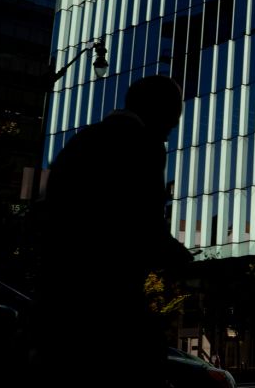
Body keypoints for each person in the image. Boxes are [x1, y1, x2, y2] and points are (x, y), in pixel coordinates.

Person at [32, 75, 192, 388]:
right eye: (173, 113)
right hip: (109, 299)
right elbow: (144, 220)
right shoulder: (144, 144)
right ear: (156, 110)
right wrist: (182, 261)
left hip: (60, 299)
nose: (174, 124)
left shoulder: (82, 141)